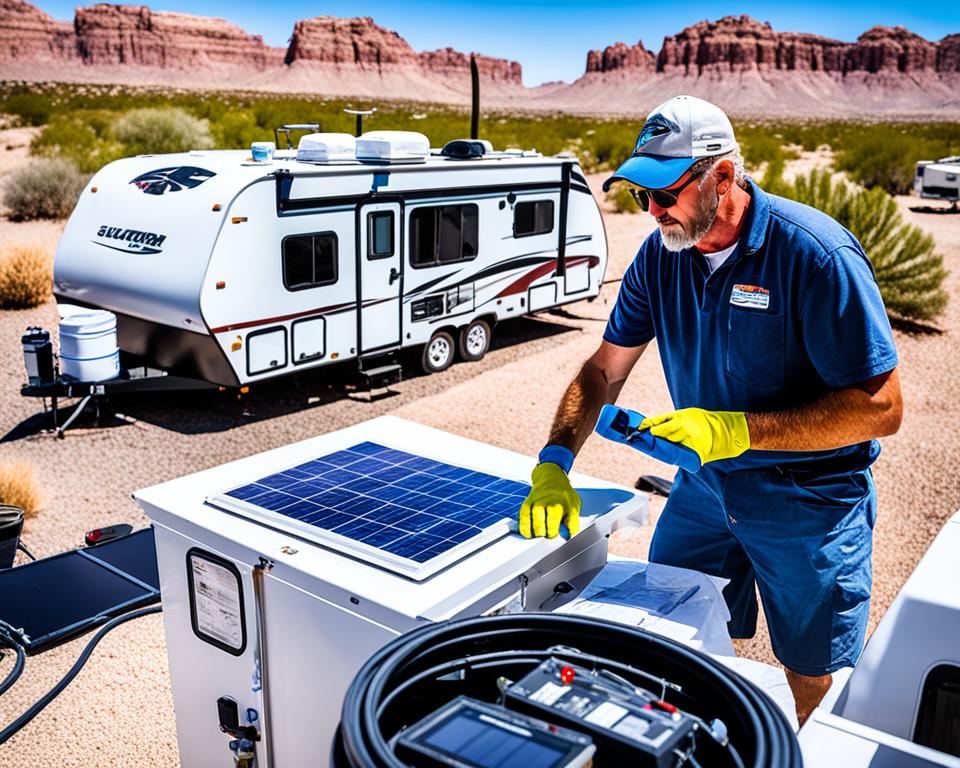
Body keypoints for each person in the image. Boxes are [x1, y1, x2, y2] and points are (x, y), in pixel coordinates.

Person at [517, 95, 902, 726]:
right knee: (668, 632)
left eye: (664, 194)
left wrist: (733, 429)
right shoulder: (659, 258)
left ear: (722, 177)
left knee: (812, 672)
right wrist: (554, 462)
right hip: (704, 488)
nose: (651, 211)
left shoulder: (815, 256)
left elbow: (881, 408)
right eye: (640, 196)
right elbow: (602, 369)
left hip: (809, 501)